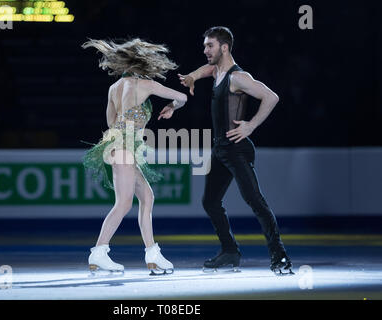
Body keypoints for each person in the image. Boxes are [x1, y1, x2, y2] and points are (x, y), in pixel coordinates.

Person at [178, 26, 293, 274]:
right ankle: (230, 251)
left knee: (256, 202)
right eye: (205, 45)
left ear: (224, 47)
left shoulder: (237, 77)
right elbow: (206, 70)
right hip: (221, 149)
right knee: (210, 201)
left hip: (237, 149)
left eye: (210, 45)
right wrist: (191, 77)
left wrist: (251, 125)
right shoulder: (216, 71)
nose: (205, 49)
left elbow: (271, 97)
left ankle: (280, 256)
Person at [81, 38, 187, 275]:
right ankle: (98, 252)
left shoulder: (114, 88)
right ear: (143, 62)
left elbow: (111, 123)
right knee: (124, 203)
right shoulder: (145, 85)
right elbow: (183, 98)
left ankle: (152, 253)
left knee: (147, 197)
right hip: (125, 148)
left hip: (116, 144)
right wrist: (171, 107)